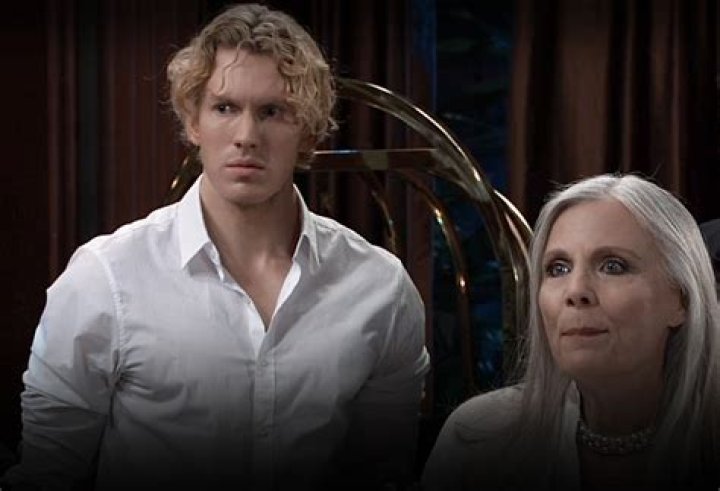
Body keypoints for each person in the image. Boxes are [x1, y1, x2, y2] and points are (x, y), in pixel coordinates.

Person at [1, 4, 429, 490]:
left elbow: (382, 474)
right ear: (193, 122)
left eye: (272, 112)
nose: (246, 137)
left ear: (308, 130)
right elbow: (48, 476)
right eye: (225, 108)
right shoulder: (108, 276)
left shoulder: (378, 288)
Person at [422, 174, 720, 490]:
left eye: (613, 266)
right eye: (558, 268)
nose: (576, 291)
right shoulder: (477, 439)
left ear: (681, 300)